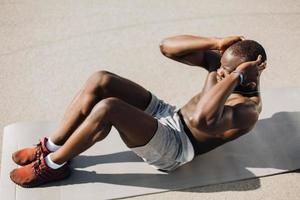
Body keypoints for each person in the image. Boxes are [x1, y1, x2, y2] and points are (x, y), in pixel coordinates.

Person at [9, 35, 267, 187]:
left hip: (175, 148)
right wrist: (216, 42)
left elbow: (202, 118)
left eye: (227, 72)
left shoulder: (248, 110)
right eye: (220, 68)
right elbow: (167, 47)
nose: (220, 73)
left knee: (109, 108)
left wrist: (234, 78)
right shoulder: (222, 68)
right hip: (169, 116)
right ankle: (53, 146)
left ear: (251, 76)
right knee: (101, 80)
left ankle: (54, 166)